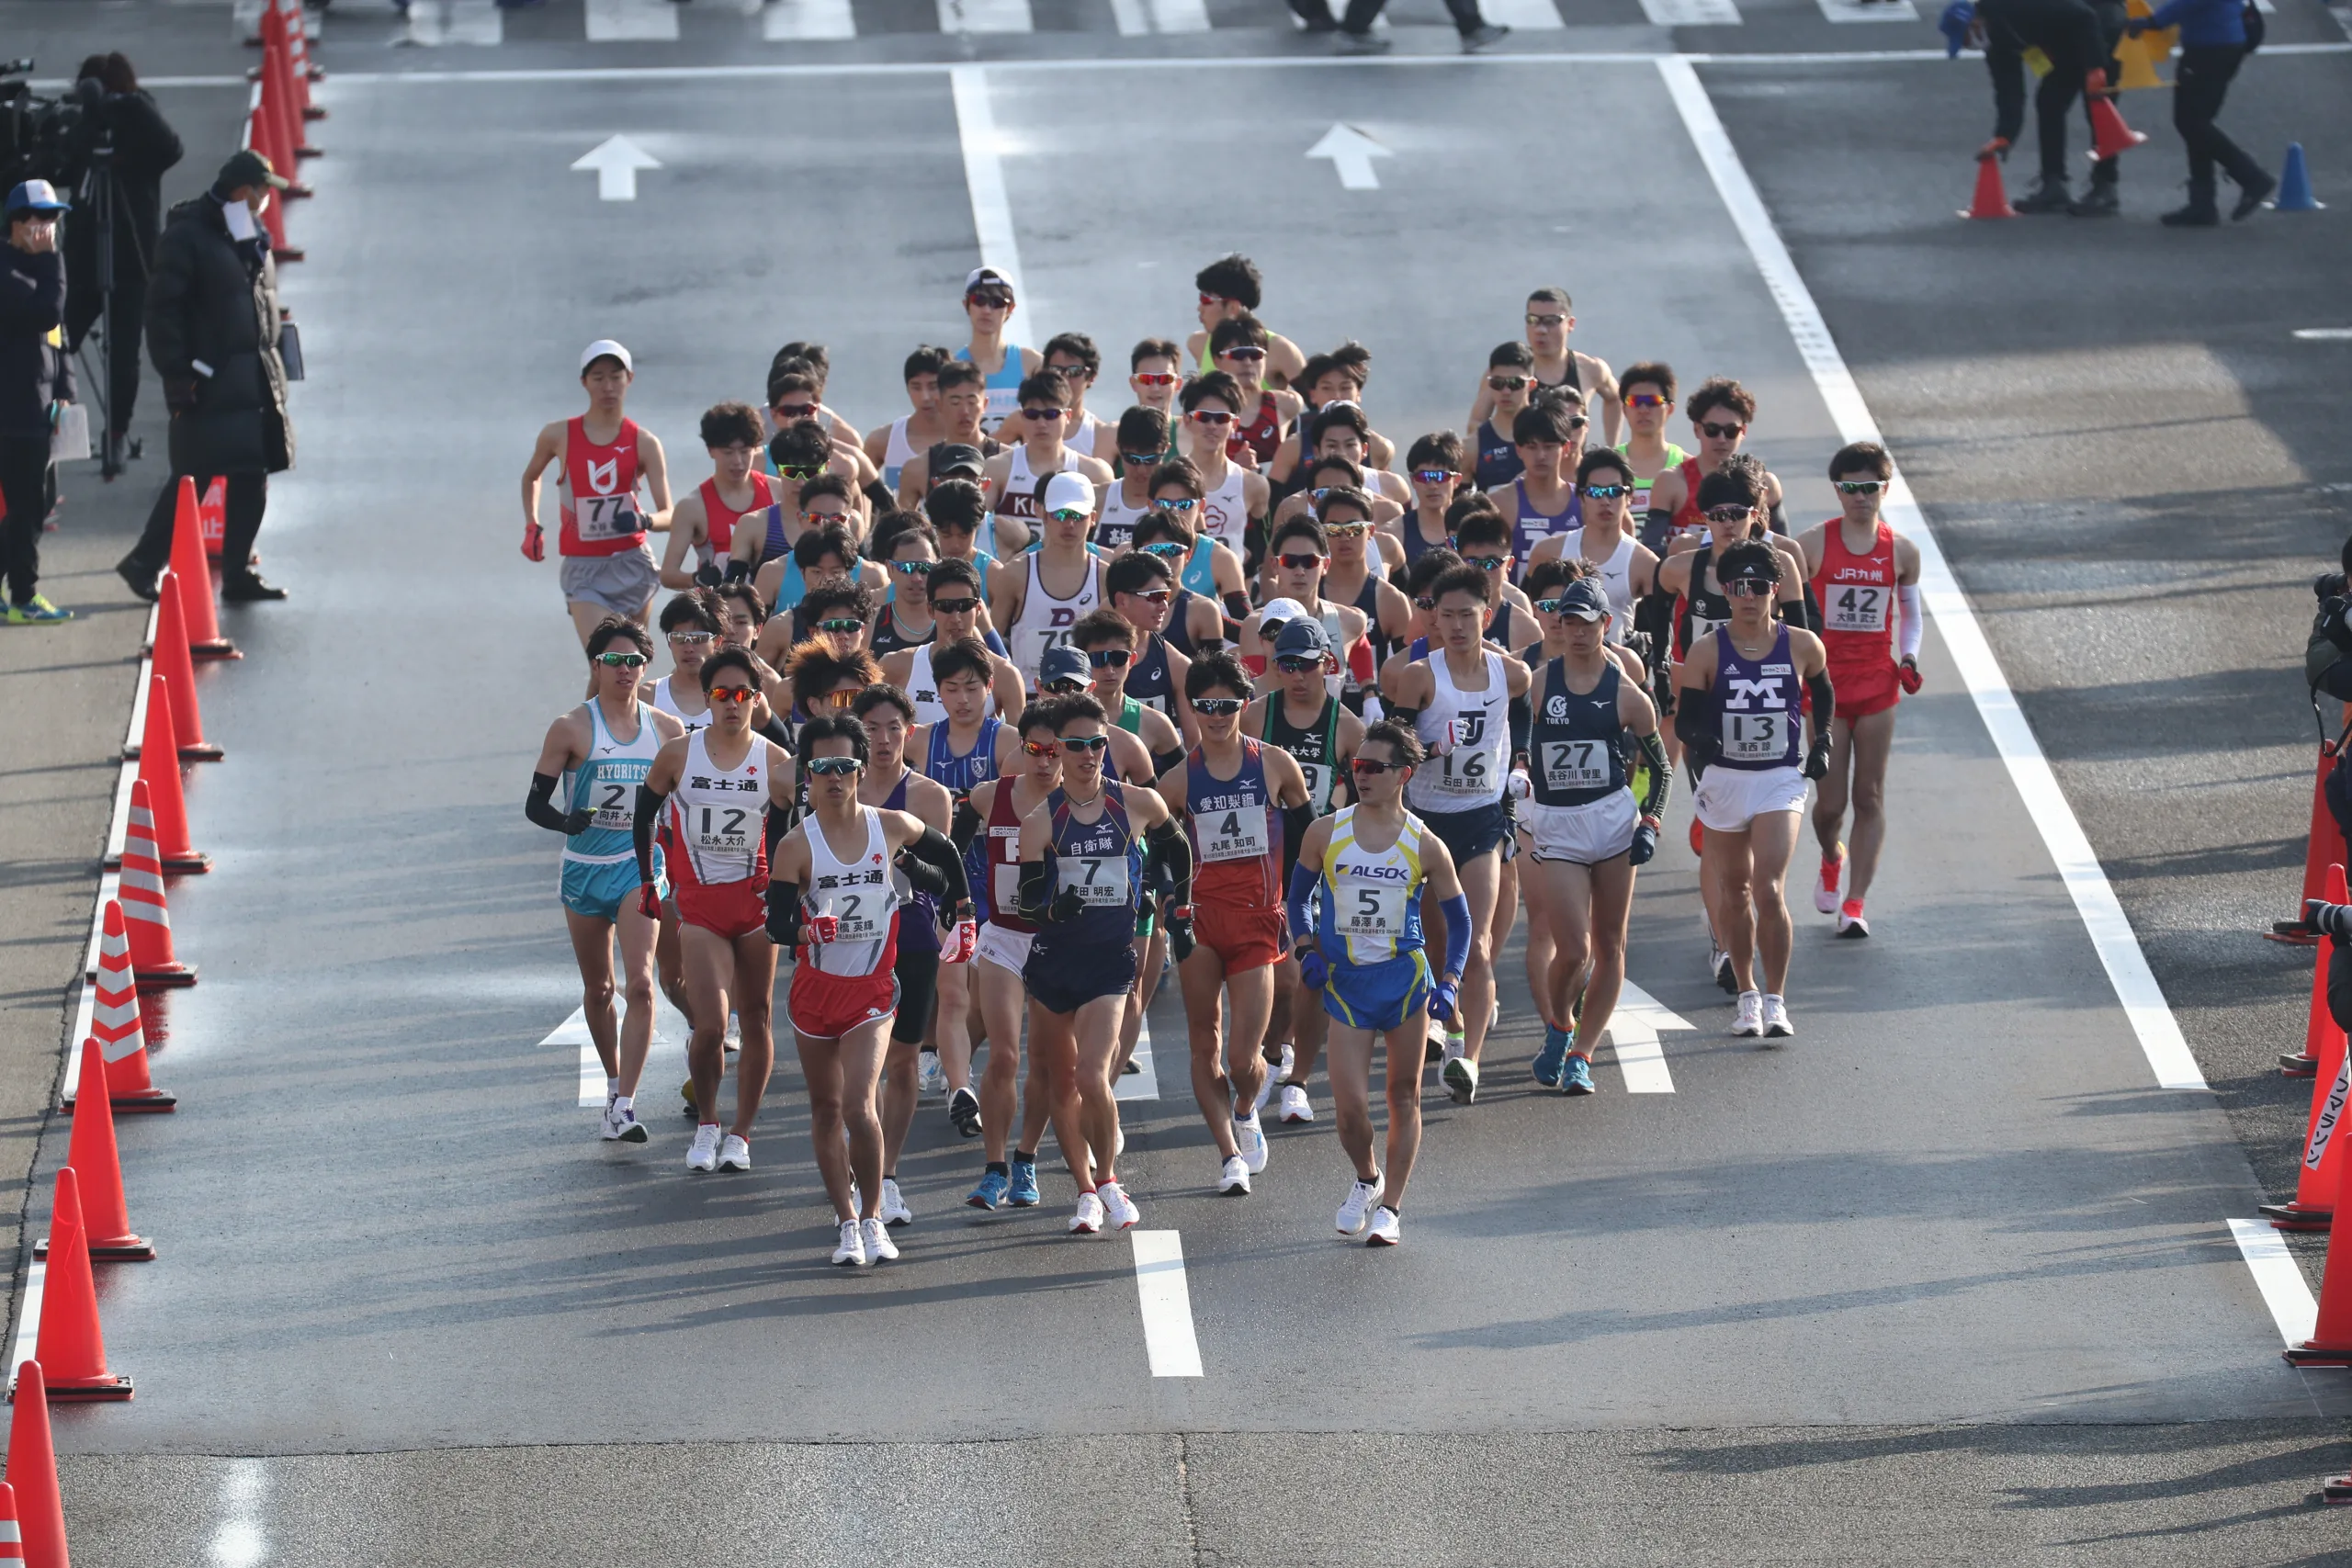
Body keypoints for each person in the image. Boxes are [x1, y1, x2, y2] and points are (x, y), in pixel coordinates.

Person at [769, 712, 971, 1267]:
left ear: (860, 769)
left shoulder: (892, 826)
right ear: (806, 774)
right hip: (815, 990)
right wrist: (807, 929)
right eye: (821, 768)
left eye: (844, 766)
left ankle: (876, 1215)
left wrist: (964, 912)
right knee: (826, 1108)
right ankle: (846, 1223)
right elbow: (776, 924)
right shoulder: (795, 846)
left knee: (860, 1104)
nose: (834, 777)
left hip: (873, 988)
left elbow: (949, 856)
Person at [1287, 723, 1468, 1247]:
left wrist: (1451, 981)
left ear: (1403, 776)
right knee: (1348, 1108)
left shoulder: (1426, 845)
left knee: (1401, 1096)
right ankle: (1367, 1178)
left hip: (1405, 981)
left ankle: (1391, 1208)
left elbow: (1461, 923)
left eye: (1373, 768)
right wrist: (1305, 949)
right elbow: (1296, 899)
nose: (1360, 775)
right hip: (1345, 985)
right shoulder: (1325, 832)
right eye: (1356, 767)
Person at [1017, 695, 1191, 1234]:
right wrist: (1052, 907)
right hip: (1053, 963)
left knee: (1094, 1075)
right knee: (1059, 1082)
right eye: (1076, 745)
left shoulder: (1139, 803)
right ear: (1058, 751)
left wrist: (1173, 902)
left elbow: (1178, 849)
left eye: (1097, 743)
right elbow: (1024, 902)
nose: (1088, 754)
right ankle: (1084, 1190)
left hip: (1110, 963)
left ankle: (1109, 1179)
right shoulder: (1038, 822)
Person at [633, 647, 797, 1173]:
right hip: (700, 907)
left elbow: (797, 833)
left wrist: (790, 895)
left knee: (758, 1019)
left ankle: (741, 1134)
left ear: (757, 698)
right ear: (707, 700)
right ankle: (707, 1123)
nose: (733, 704)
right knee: (710, 1025)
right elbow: (643, 815)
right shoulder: (679, 754)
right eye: (722, 695)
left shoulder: (775, 761)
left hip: (754, 909)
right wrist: (648, 879)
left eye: (743, 694)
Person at [1155, 653, 1311, 1194]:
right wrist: (1168, 909)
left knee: (1246, 1059)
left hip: (1257, 923)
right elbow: (1160, 857)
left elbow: (1306, 842)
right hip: (1200, 924)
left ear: (1244, 704)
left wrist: (1302, 905)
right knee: (1204, 1043)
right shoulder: (1175, 783)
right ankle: (1228, 1156)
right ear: (1191, 709)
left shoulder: (1275, 765)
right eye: (1205, 706)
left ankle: (1246, 1108)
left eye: (1226, 704)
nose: (1216, 715)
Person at [527, 619, 685, 1142]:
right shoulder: (570, 727)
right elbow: (535, 804)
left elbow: (681, 807)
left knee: (640, 984)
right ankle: (612, 1078)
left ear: (646, 666)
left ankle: (624, 1104)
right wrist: (566, 822)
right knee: (599, 988)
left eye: (634, 661)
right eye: (614, 661)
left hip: (639, 870)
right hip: (583, 871)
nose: (625, 670)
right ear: (595, 666)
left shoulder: (666, 730)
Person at [119, 151, 298, 607]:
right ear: (243, 191)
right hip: (210, 379)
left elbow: (258, 298)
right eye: (262, 191)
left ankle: (237, 573)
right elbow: (161, 313)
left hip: (251, 377)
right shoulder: (187, 238)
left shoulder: (247, 232)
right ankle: (143, 563)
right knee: (193, 478)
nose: (265, 200)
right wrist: (179, 374)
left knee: (250, 477)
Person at [1380, 563, 1529, 1104]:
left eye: (1469, 614)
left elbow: (1523, 718)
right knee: (1438, 943)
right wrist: (1428, 750)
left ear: (1487, 616)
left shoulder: (1510, 675)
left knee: (1480, 940)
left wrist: (1524, 764)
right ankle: (1456, 1025)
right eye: (1448, 616)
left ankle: (1468, 1060)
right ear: (1434, 620)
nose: (1460, 625)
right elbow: (1389, 745)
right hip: (1426, 821)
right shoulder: (1420, 676)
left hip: (1482, 816)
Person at [1674, 539, 1834, 1041]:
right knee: (1736, 890)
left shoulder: (1803, 644)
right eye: (1738, 587)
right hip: (1725, 779)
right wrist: (1704, 739)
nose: (1748, 596)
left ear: (1775, 590)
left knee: (1769, 886)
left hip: (1779, 778)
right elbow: (1686, 723)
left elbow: (1823, 693)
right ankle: (1745, 995)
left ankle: (1777, 999)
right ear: (1725, 591)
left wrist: (1822, 742)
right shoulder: (1706, 651)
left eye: (1759, 587)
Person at [1518, 579, 1669, 1093]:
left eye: (1588, 622)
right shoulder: (1539, 684)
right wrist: (1516, 788)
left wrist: (1649, 821)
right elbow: (1517, 750)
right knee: (1575, 948)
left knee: (1609, 944)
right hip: (1557, 824)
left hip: (1611, 823)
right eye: (1569, 622)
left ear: (1607, 624)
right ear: (1559, 624)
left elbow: (1661, 771)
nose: (1578, 632)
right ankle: (1560, 1025)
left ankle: (1582, 1053)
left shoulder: (1629, 696)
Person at [1797, 443, 1923, 939]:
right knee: (1830, 806)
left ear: (1884, 489)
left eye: (1870, 487)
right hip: (1825, 688)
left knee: (1868, 795)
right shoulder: (1811, 546)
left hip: (1876, 685)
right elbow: (1787, 607)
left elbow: (1910, 616)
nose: (1861, 497)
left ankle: (1855, 901)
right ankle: (1832, 855)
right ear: (1838, 490)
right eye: (1850, 487)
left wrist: (1908, 657)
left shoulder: (1902, 552)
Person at [853, 684, 963, 1230]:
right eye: (871, 727)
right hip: (849, 941)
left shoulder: (928, 796)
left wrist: (899, 858)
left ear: (909, 732)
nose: (883, 738)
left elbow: (943, 877)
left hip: (911, 937)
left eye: (894, 727)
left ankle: (887, 1174)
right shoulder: (834, 788)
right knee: (856, 1071)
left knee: (900, 1063)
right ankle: (862, 1170)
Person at [1248, 617, 1363, 1124]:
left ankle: (1294, 1076)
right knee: (1276, 981)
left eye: (1306, 665)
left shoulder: (1347, 727)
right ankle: (1274, 1052)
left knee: (1305, 977)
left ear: (1328, 665)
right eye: (1286, 665)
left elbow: (1371, 799)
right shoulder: (1254, 718)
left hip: (1316, 867)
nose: (1296, 676)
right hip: (1258, 864)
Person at [956, 703, 1064, 1210]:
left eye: (1055, 752)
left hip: (1055, 943)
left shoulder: (1079, 804)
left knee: (1043, 1061)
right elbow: (952, 846)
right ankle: (993, 1167)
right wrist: (954, 899)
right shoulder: (989, 797)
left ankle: (1026, 1158)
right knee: (1004, 1053)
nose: (1044, 762)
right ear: (1021, 749)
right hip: (1001, 936)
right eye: (1035, 751)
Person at [63, 54, 180, 460]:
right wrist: (86, 116)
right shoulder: (85, 127)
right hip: (84, 261)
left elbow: (171, 148)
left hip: (130, 260)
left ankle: (117, 433)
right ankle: (57, 427)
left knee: (124, 354)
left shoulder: (139, 122)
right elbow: (57, 164)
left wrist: (118, 103)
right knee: (57, 342)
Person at [517, 341, 671, 643]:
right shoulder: (558, 435)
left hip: (633, 563)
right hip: (583, 569)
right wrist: (532, 524)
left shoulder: (645, 442)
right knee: (610, 655)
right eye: (598, 378)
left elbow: (671, 514)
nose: (608, 386)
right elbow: (531, 477)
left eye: (615, 376)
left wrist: (644, 521)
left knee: (625, 669)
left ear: (630, 378)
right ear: (584, 382)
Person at [1976, 0, 2130, 216]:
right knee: (2049, 102)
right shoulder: (1995, 42)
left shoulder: (2013, 5)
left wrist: (2095, 66)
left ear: (1975, 20)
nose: (1968, 43)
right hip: (2069, 38)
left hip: (2102, 23)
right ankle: (2054, 184)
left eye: (1965, 35)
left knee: (2098, 108)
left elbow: (2083, 16)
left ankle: (2105, 187)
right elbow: (2009, 91)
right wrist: (2005, 134)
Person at [0, 180, 74, 625]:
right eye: (39, 218)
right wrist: (51, 260)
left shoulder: (43, 271)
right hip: (12, 408)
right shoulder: (7, 271)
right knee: (27, 505)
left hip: (38, 403)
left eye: (53, 218)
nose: (48, 227)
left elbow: (56, 336)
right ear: (17, 223)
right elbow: (48, 311)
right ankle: (24, 596)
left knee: (37, 500)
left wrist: (66, 392)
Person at [2128, 0, 2275, 224]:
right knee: (2197, 124)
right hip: (2222, 43)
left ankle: (2250, 177)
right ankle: (2202, 203)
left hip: (2209, 49)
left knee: (2191, 123)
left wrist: (2153, 22)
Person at [992, 470, 1105, 693]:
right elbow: (991, 641)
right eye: (1060, 515)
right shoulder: (1016, 573)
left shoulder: (1105, 576)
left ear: (1093, 519)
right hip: (1031, 697)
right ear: (1044, 516)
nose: (1070, 524)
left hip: (1087, 700)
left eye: (1078, 515)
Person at [1467, 288, 1622, 448]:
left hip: (1573, 470)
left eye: (1551, 321)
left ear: (1570, 324)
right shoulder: (1507, 374)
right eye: (1533, 320)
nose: (1540, 330)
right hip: (1523, 468)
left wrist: (1613, 447)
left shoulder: (1590, 369)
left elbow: (1615, 398)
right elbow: (1476, 422)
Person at [980, 368, 1114, 537]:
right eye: (1032, 414)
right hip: (1014, 562)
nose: (1041, 423)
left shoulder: (1094, 473)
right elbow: (978, 532)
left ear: (1068, 416)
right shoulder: (998, 468)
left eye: (1051, 414)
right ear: (1022, 417)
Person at [659, 402, 770, 592]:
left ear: (756, 449)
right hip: (717, 609)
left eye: (745, 452)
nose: (738, 461)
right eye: (728, 452)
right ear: (711, 450)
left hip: (766, 609)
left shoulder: (776, 492)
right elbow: (668, 574)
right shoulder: (692, 506)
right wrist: (698, 579)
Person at [1185, 255, 1307, 385]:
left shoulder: (1280, 349)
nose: (1199, 308)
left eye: (1206, 300)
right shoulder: (1199, 344)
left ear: (1233, 307)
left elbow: (1317, 400)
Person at [955, 266, 1041, 435]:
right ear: (966, 305)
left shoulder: (1033, 365)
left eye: (997, 303)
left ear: (1011, 309)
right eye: (979, 300)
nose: (987, 310)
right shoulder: (952, 367)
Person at [864, 344, 951, 494]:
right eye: (916, 387)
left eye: (933, 386)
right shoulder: (883, 440)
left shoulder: (967, 439)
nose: (925, 397)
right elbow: (857, 492)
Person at [1470, 344, 1536, 491]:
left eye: (1515, 383)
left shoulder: (1551, 437)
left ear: (1531, 385)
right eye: (1497, 383)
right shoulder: (1474, 445)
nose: (1506, 391)